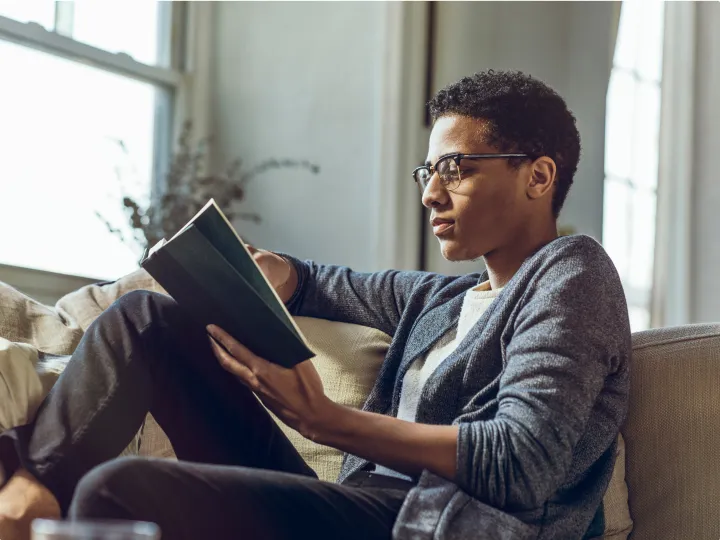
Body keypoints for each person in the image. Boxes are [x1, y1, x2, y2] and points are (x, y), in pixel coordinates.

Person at [0, 70, 630, 540]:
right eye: (426, 171)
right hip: (350, 509)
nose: (432, 192)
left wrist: (326, 421)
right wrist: (273, 274)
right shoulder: (441, 299)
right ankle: (25, 499)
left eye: (456, 168)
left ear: (538, 177)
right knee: (141, 321)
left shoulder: (572, 274)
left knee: (119, 489)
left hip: (435, 529)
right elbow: (323, 283)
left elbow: (521, 461)